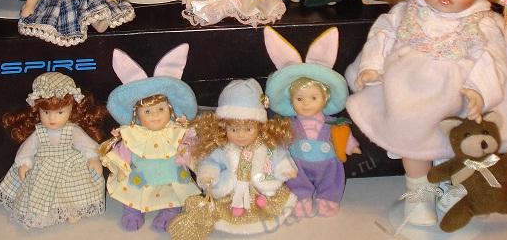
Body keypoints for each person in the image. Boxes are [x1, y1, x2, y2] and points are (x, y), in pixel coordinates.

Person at [344, 0, 507, 226]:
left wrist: (479, 90)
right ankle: (418, 194)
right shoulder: (406, 10)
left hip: (458, 96)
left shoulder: (484, 23)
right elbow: (382, 36)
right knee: (411, 141)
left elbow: (492, 60)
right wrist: (371, 66)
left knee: (454, 146)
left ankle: (453, 188)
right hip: (408, 94)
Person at [169, 78, 297, 238]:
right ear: (224, 127)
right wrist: (209, 173)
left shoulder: (265, 145)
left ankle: (259, 202)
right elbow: (211, 162)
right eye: (234, 129)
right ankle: (237, 206)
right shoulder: (223, 148)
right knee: (224, 201)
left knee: (267, 196)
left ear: (260, 126)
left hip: (260, 186)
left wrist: (285, 169)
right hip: (232, 188)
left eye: (248, 129)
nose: (241, 135)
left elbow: (279, 156)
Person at [101, 46, 200, 232]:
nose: (154, 115)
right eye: (147, 111)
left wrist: (191, 158)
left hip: (170, 178)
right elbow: (123, 152)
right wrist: (118, 163)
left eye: (160, 109)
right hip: (141, 178)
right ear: (137, 114)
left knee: (173, 194)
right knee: (132, 192)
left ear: (170, 110)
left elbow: (191, 151)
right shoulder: (133, 133)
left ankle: (170, 210)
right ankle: (132, 210)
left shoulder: (177, 132)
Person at [264, 26, 361, 218]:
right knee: (294, 177)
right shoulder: (289, 124)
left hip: (328, 162)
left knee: (332, 177)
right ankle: (301, 198)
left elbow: (344, 135)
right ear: (291, 101)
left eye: (313, 98)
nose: (306, 104)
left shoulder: (335, 123)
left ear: (325, 99)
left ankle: (328, 198)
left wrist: (351, 146)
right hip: (298, 163)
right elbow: (280, 141)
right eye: (299, 99)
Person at [0, 72, 106, 228]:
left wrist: (93, 158)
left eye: (60, 112)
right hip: (44, 168)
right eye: (46, 112)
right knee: (42, 192)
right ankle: (44, 214)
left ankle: (71, 210)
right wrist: (25, 163)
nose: (52, 119)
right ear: (38, 110)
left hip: (69, 166)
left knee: (70, 190)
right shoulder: (39, 132)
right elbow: (27, 149)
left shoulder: (73, 130)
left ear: (71, 109)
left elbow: (86, 145)